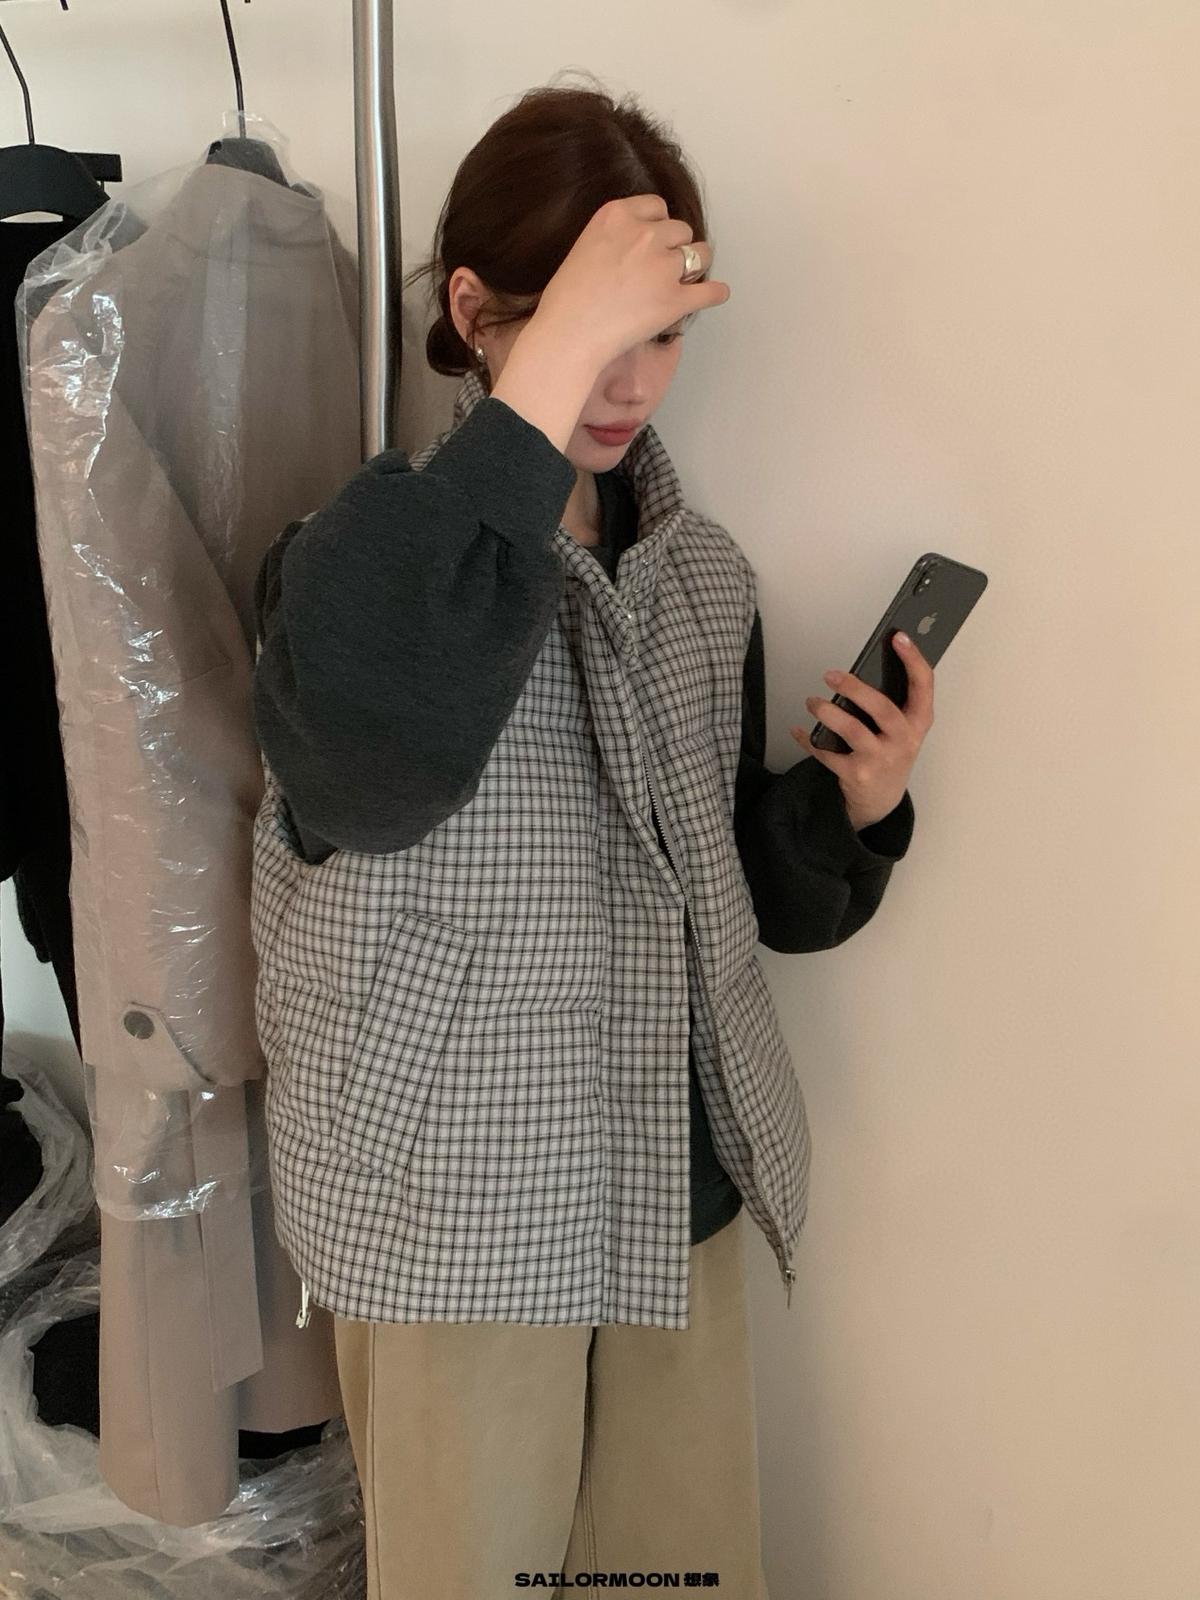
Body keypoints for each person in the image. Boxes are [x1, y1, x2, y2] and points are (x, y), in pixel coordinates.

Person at [250, 71, 930, 1600]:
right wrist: (536, 396)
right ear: (477, 313)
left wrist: (854, 810)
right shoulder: (351, 561)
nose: (625, 382)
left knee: (677, 1579)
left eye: (661, 333)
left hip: (673, 1190)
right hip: (454, 1213)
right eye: (586, 330)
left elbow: (721, 889)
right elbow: (372, 777)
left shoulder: (704, 579)